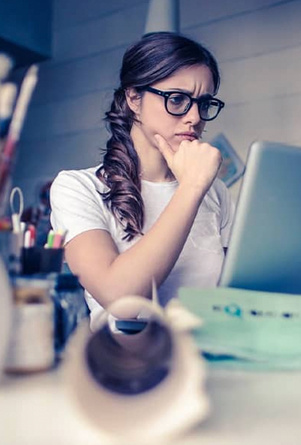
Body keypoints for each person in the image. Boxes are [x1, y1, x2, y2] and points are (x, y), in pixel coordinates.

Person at [50, 32, 234, 326]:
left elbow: (231, 300)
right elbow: (121, 301)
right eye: (177, 99)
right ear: (134, 98)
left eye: (204, 103)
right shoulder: (78, 188)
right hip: (123, 364)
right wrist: (191, 187)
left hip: (207, 362)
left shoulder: (217, 193)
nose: (195, 117)